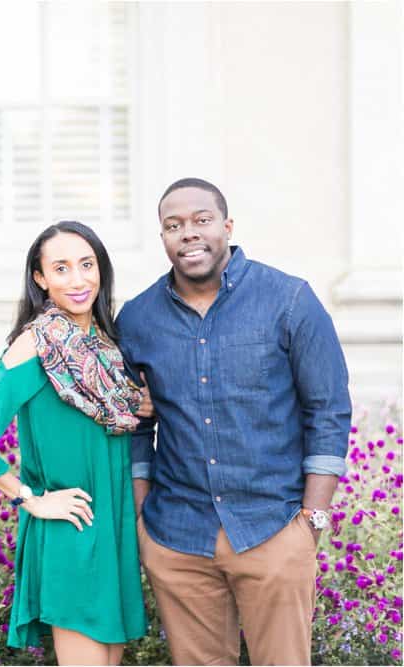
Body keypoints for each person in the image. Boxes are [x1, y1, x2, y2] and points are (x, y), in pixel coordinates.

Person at [115, 178, 351, 665]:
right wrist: (142, 520)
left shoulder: (288, 300)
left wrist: (313, 522)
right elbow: (133, 424)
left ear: (226, 226)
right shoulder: (138, 319)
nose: (188, 234)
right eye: (173, 225)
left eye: (201, 220)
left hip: (274, 527)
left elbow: (328, 410)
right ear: (162, 237)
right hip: (177, 537)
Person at [0, 221, 153, 666]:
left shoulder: (104, 345)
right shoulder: (36, 345)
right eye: (61, 268)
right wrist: (30, 499)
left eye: (86, 265)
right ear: (40, 279)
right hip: (72, 525)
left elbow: (118, 415)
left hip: (113, 526)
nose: (78, 280)